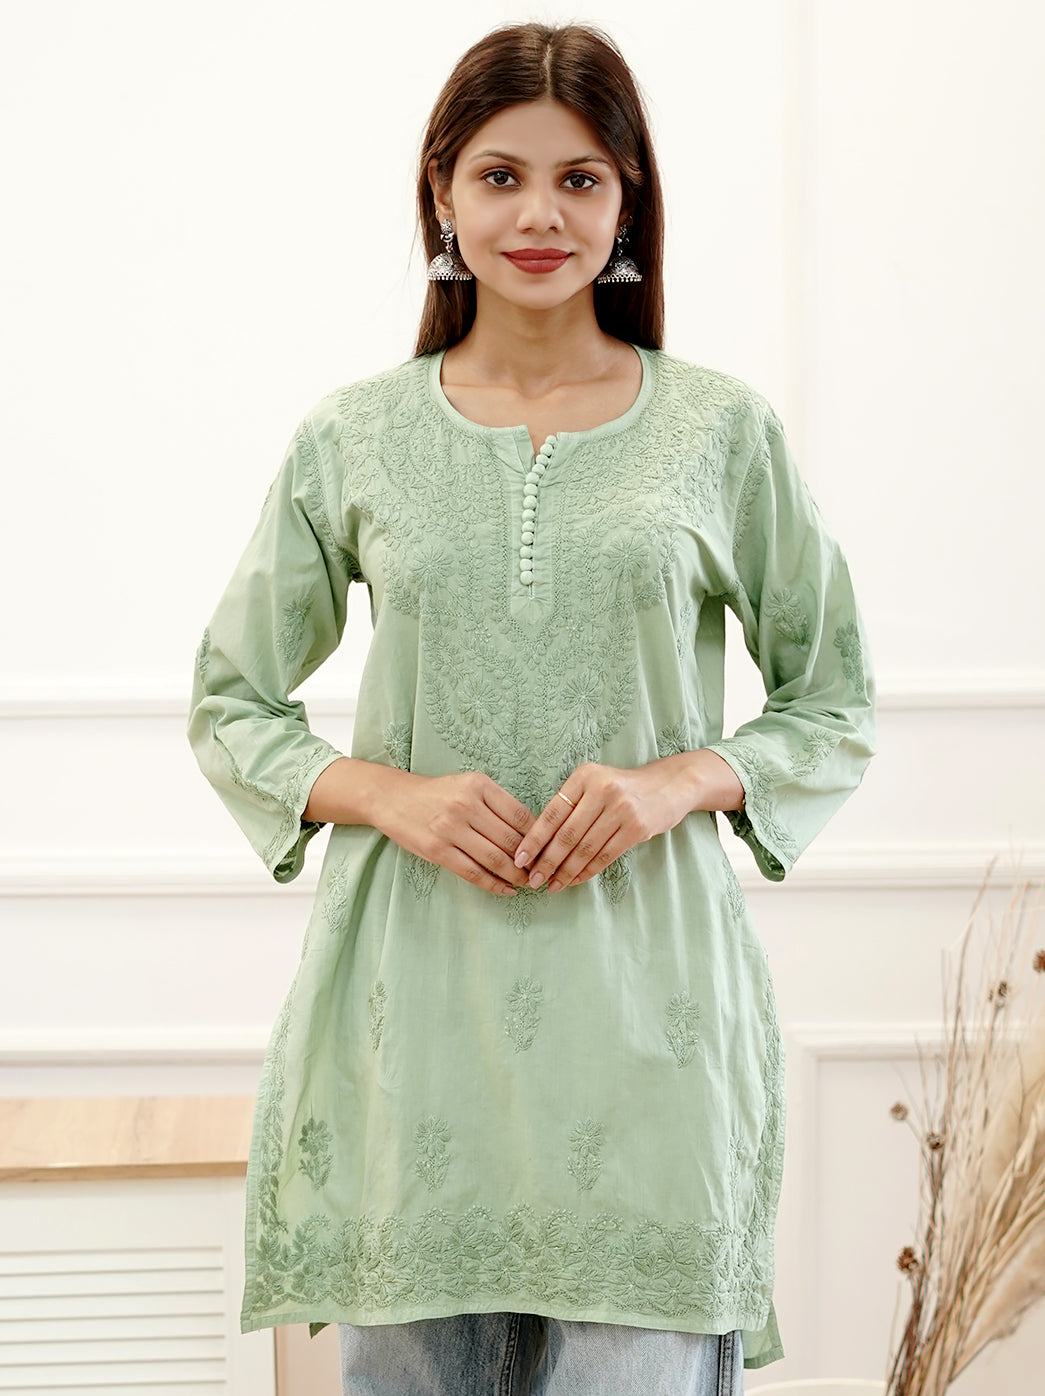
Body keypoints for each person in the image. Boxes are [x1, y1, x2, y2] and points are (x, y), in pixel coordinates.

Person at [187, 20, 875, 1396]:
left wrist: (676, 780)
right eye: (501, 177)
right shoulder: (354, 437)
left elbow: (831, 699)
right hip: (413, 1034)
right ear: (442, 194)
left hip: (647, 1029)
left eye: (580, 179)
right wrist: (392, 795)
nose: (540, 215)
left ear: (628, 202)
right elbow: (231, 701)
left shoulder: (720, 432)